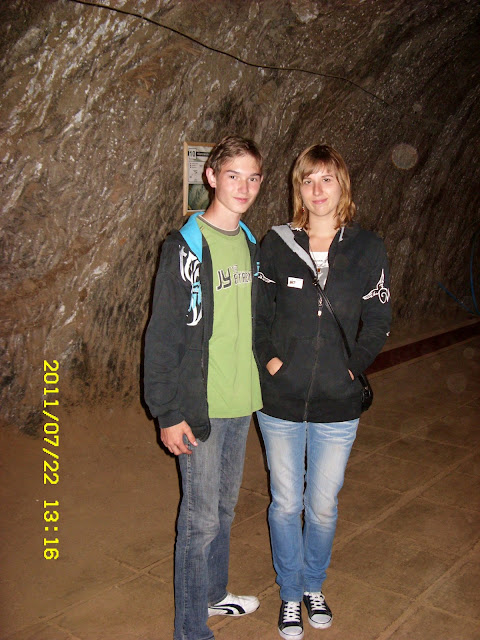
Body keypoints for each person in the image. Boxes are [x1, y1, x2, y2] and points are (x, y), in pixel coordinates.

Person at [255, 144, 391, 639]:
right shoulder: (276, 244)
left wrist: (351, 368)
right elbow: (258, 314)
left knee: (323, 505)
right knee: (285, 502)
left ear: (342, 186)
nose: (317, 190)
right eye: (308, 180)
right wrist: (272, 362)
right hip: (280, 402)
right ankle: (290, 594)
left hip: (338, 403)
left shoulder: (367, 248)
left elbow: (379, 318)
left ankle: (314, 585)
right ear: (298, 188)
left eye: (326, 179)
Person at [144, 135, 264, 640]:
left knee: (223, 510)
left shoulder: (252, 244)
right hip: (199, 406)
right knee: (199, 521)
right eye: (233, 175)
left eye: (252, 177)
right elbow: (162, 334)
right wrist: (167, 411)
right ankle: (191, 630)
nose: (244, 187)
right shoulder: (185, 248)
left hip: (242, 400)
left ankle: (215, 594)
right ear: (211, 177)